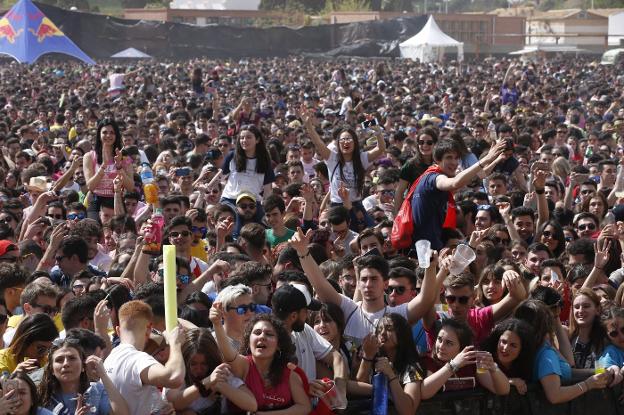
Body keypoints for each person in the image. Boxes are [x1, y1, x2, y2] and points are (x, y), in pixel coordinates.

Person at [410, 138, 505, 250]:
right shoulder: (434, 178)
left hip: (431, 248)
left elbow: (474, 178)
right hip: (424, 252)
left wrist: (494, 160)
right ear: (437, 159)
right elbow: (455, 183)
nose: (454, 162)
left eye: (456, 158)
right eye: (449, 157)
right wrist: (485, 160)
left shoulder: (433, 176)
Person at [210, 311, 311, 414]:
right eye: (257, 333)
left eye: (269, 334)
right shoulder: (243, 365)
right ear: (248, 341)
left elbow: (304, 407)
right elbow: (228, 354)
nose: (262, 337)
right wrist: (217, 324)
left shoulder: (289, 374)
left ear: (278, 345)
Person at [514, 299, 609, 404]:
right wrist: (587, 385)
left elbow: (568, 371)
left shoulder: (543, 345)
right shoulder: (546, 355)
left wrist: (600, 372)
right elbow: (555, 396)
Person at [302, 112, 386, 230]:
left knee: (372, 231)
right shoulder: (332, 158)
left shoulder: (362, 158)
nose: (346, 142)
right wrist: (309, 126)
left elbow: (381, 148)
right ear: (338, 143)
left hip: (356, 206)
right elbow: (318, 143)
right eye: (343, 139)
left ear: (355, 142)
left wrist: (377, 130)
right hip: (337, 207)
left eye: (349, 139)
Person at [103, 300, 185, 415]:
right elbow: (174, 377)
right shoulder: (137, 359)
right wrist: (175, 344)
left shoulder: (109, 360)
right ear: (149, 329)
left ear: (118, 330)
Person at [164, 328, 257, 414]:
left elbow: (252, 405)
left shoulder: (220, 374)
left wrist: (220, 386)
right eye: (193, 364)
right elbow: (174, 403)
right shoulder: (178, 374)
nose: (199, 369)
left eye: (204, 364)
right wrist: (205, 383)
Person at [420, 319, 510, 398]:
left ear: (462, 348)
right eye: (439, 339)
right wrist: (453, 365)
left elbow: (503, 390)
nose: (441, 346)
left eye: (449, 343)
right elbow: (424, 392)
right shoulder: (429, 361)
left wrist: (493, 368)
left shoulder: (472, 363)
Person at [38, 338, 129, 415]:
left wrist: (103, 375)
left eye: (72, 358)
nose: (66, 364)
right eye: (59, 360)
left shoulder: (97, 391)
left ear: (83, 366)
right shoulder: (42, 398)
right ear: (52, 370)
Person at [356, 314, 423, 415]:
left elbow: (408, 411)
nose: (382, 333)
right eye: (379, 330)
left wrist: (390, 375)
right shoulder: (372, 358)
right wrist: (367, 357)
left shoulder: (412, 366)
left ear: (402, 333)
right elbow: (359, 387)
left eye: (389, 328)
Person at [83, 119, 134, 220]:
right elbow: (90, 186)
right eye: (105, 132)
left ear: (116, 136)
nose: (108, 136)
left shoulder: (124, 157)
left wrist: (119, 166)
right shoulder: (89, 156)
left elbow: (130, 187)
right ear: (99, 135)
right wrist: (104, 165)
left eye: (112, 133)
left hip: (117, 199)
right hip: (96, 201)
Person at [482, 318, 535, 395]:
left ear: (522, 349)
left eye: (513, 345)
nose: (505, 348)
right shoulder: (484, 358)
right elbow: (494, 386)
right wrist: (510, 381)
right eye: (503, 342)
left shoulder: (527, 364)